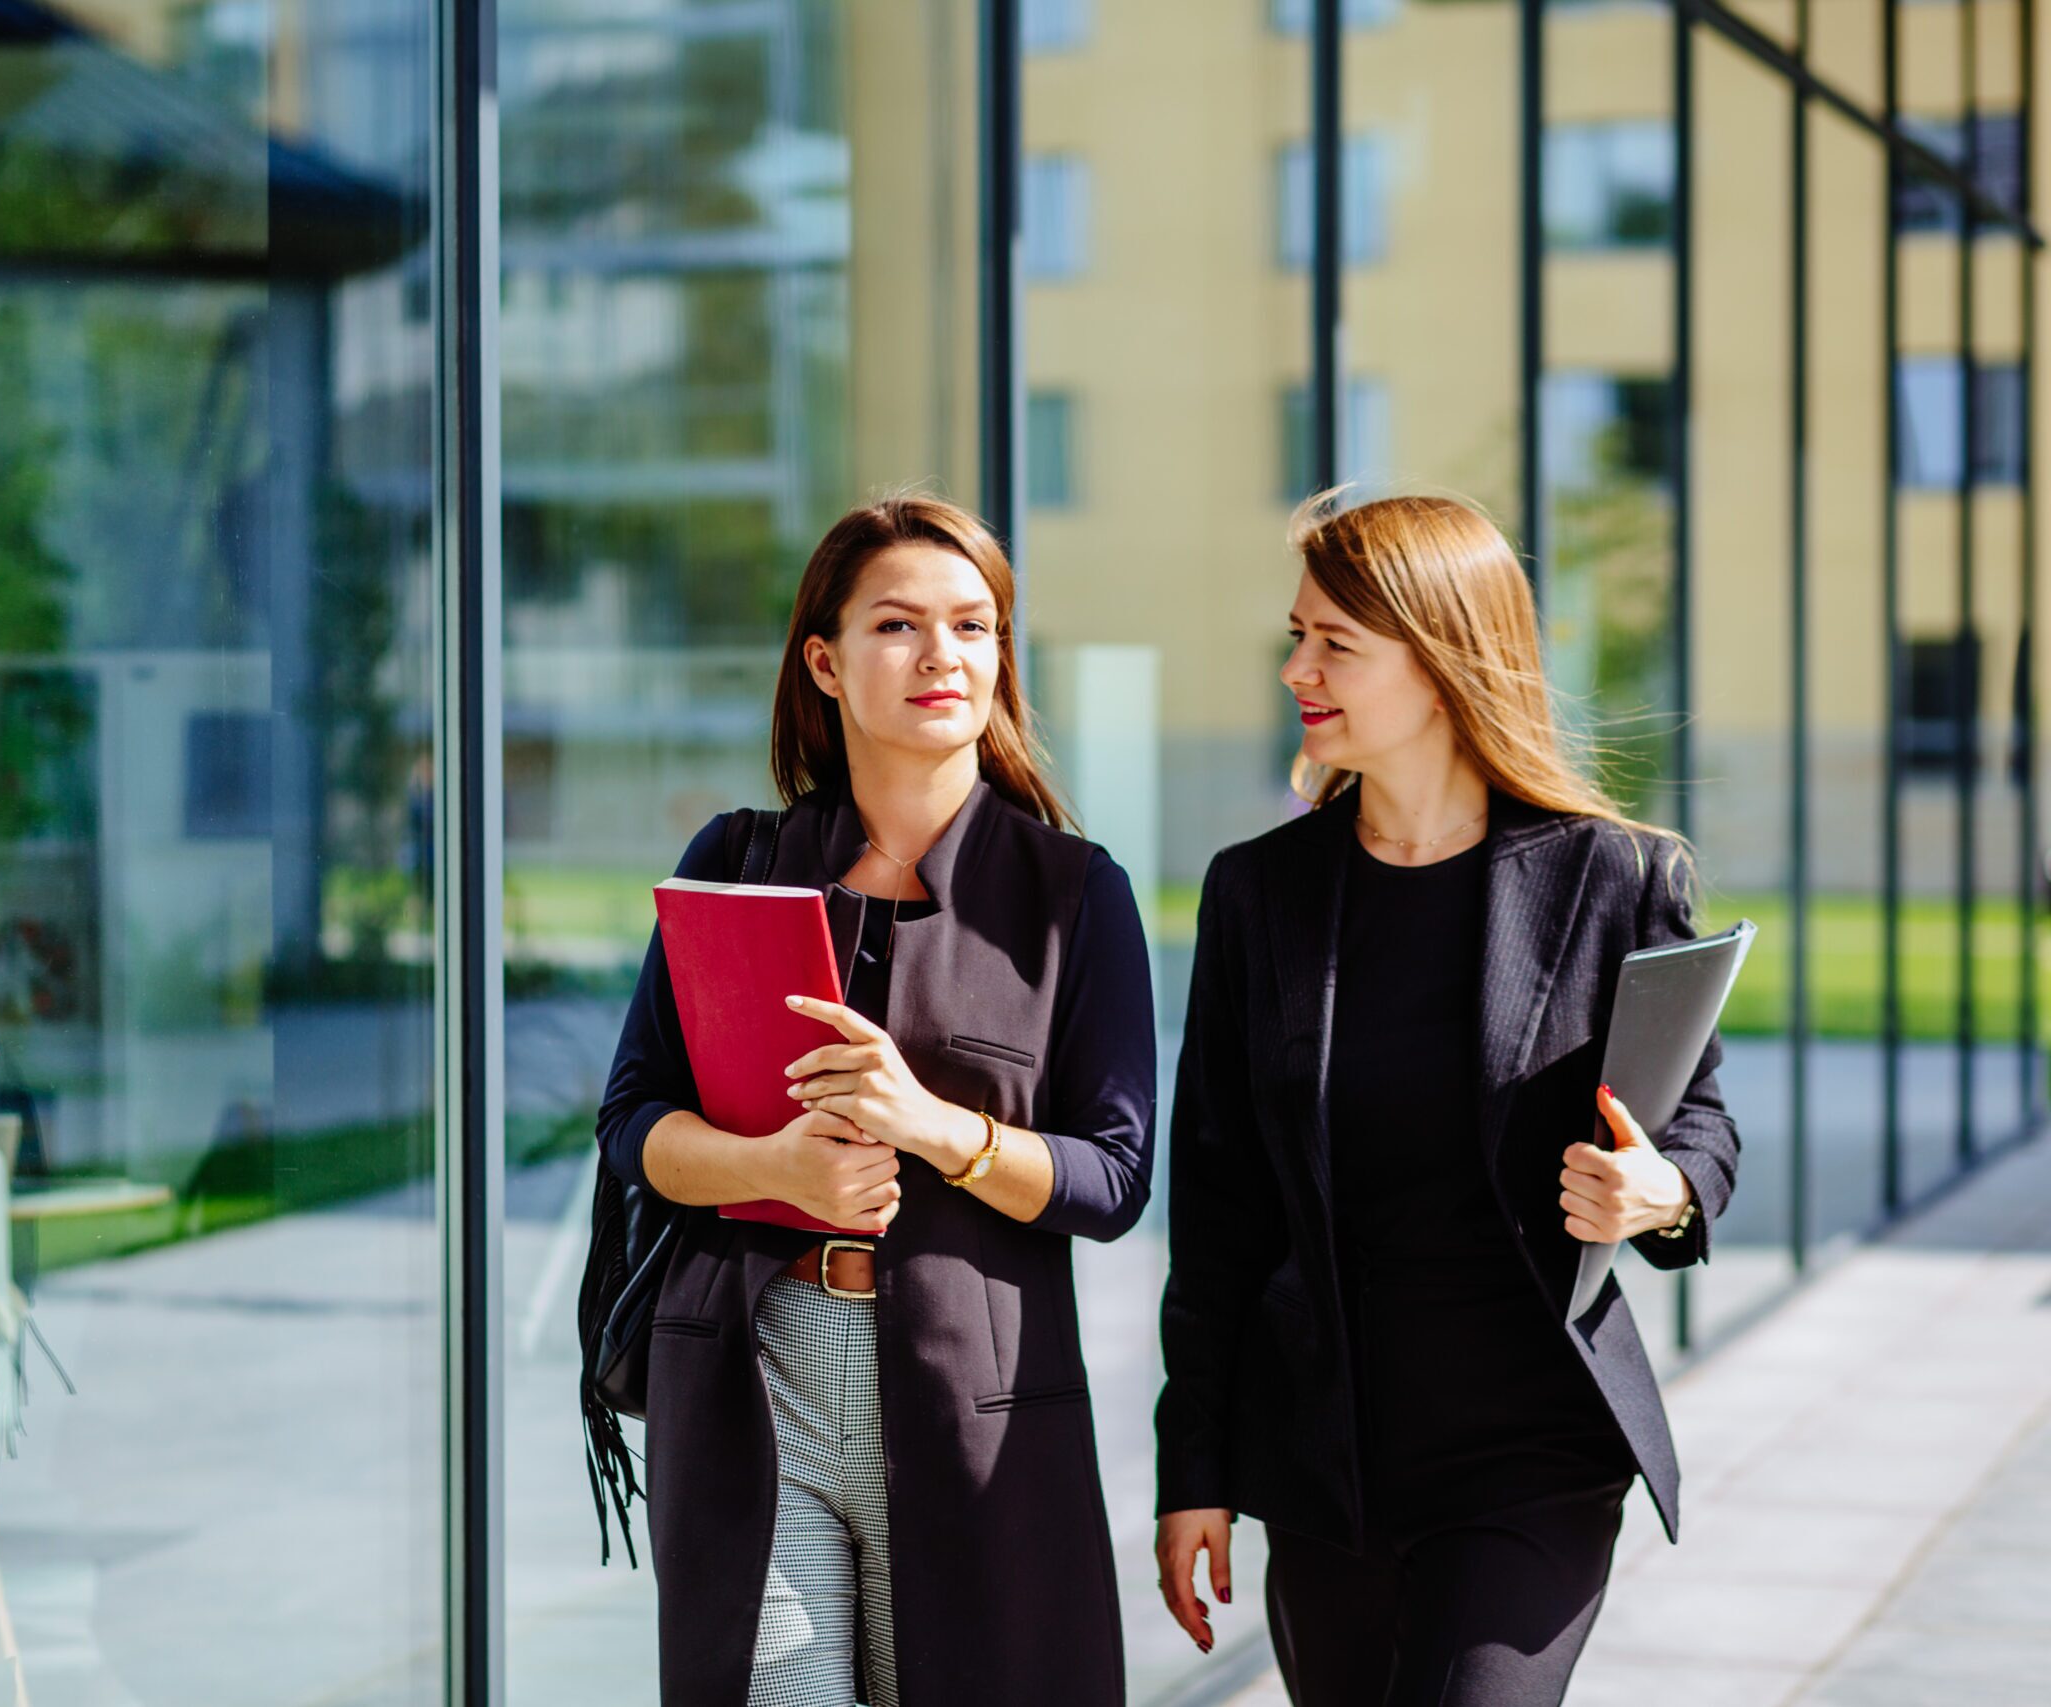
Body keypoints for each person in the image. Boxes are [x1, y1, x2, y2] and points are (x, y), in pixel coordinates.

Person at [1153, 493, 1741, 1705]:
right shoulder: (1258, 895)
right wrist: (1192, 1467)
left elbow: (1701, 1123)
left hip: (1533, 1455)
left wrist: (1661, 1189)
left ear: (1438, 663)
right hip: (1328, 1469)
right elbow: (1217, 1212)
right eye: (1297, 634)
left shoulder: (1612, 876)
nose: (1294, 668)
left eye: (1332, 645)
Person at [598, 493, 1157, 1706]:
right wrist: (776, 1172)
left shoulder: (1072, 895)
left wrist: (936, 1130)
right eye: (897, 625)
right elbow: (634, 1123)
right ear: (825, 662)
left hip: (974, 1409)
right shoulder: (734, 862)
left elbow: (1113, 1178)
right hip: (756, 1383)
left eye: (972, 625)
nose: (941, 655)